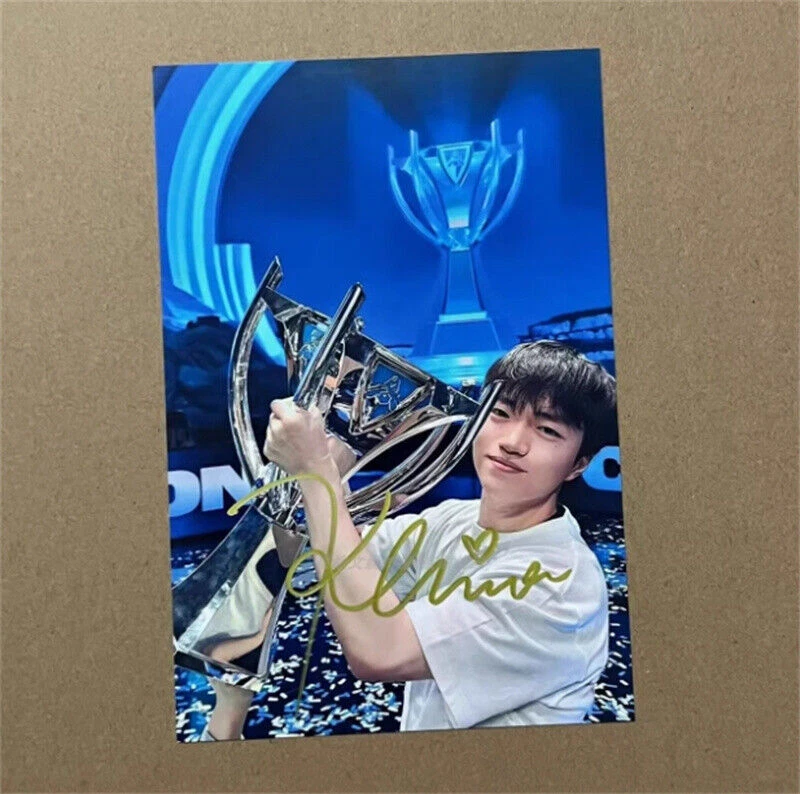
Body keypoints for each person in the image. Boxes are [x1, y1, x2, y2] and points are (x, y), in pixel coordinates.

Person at [199, 340, 617, 738]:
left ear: (578, 464)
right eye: (501, 413)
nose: (512, 442)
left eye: (547, 430)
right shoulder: (452, 520)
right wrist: (326, 466)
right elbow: (319, 558)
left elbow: (381, 650)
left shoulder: (560, 586)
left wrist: (315, 470)